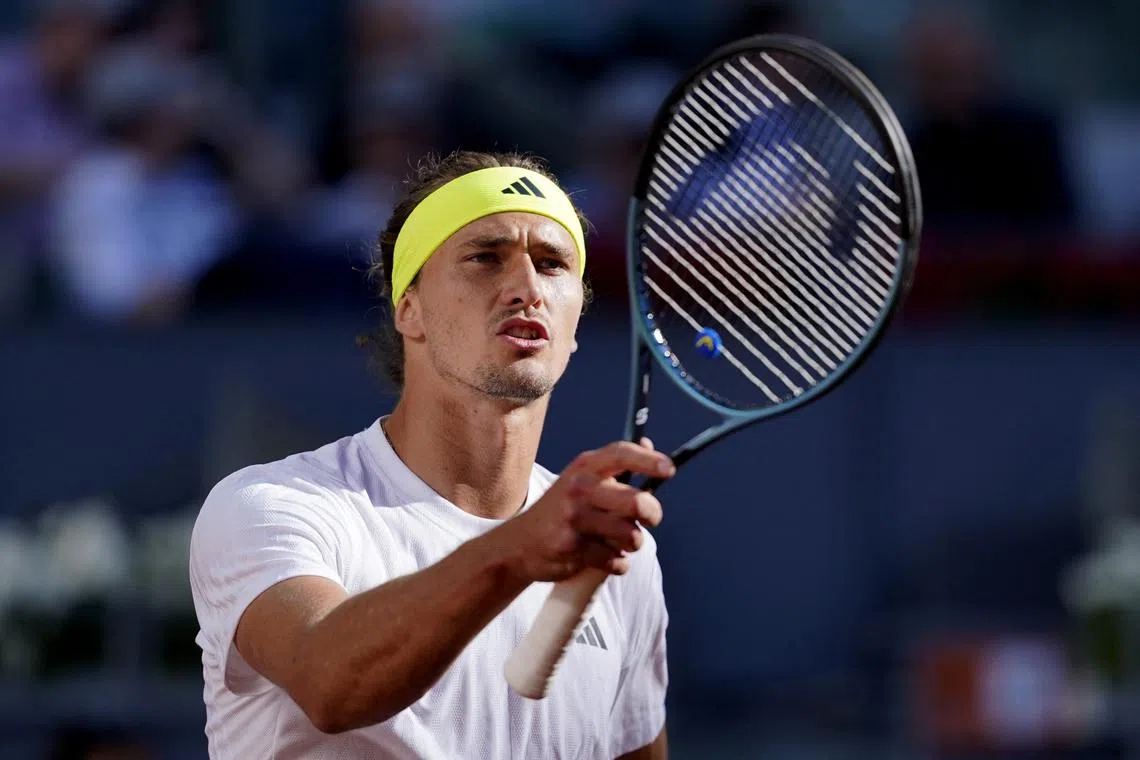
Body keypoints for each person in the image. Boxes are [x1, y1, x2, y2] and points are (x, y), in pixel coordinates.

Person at [189, 149, 672, 759]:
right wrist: (519, 549)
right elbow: (330, 682)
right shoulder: (271, 505)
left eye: (553, 265)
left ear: (575, 325)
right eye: (485, 258)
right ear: (408, 309)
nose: (526, 287)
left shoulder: (624, 558)